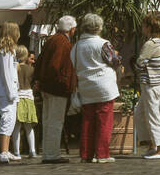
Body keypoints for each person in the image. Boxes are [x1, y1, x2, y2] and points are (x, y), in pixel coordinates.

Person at [71, 13, 120, 164]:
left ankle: (86, 153)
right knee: (104, 120)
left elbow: (73, 62)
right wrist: (117, 55)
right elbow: (115, 61)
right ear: (99, 27)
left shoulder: (78, 45)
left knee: (88, 120)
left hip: (86, 85)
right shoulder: (103, 43)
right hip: (104, 86)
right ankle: (102, 154)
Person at [34, 14, 77, 164]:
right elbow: (55, 65)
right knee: (55, 121)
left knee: (48, 120)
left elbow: (40, 61)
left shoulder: (52, 39)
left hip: (47, 87)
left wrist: (39, 80)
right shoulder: (63, 43)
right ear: (71, 30)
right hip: (56, 88)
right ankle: (52, 155)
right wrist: (63, 83)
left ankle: (48, 153)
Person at [135, 14, 160, 160]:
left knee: (153, 116)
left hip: (150, 84)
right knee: (139, 113)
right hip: (156, 83)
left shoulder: (150, 44)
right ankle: (152, 145)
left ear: (148, 27)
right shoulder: (159, 42)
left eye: (143, 25)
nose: (142, 28)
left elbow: (140, 63)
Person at [0, 22, 21, 165]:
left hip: (9, 90)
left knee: (11, 119)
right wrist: (11, 92)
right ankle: (3, 151)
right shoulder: (5, 49)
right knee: (7, 118)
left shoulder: (9, 49)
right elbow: (6, 74)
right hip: (6, 91)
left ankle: (6, 149)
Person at [14, 45, 38, 160]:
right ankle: (32, 150)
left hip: (18, 97)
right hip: (29, 97)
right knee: (29, 127)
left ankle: (16, 151)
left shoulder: (15, 68)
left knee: (17, 127)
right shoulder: (31, 69)